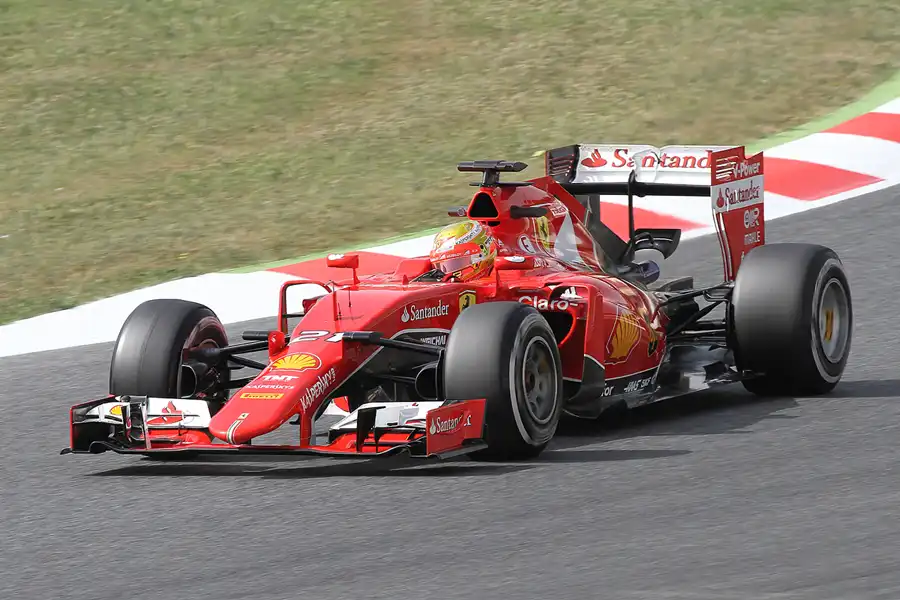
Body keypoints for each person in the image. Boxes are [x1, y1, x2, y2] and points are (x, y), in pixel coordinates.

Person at [429, 221, 498, 282]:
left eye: (456, 264)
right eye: (443, 267)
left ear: (483, 251)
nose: (448, 275)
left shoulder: (500, 280)